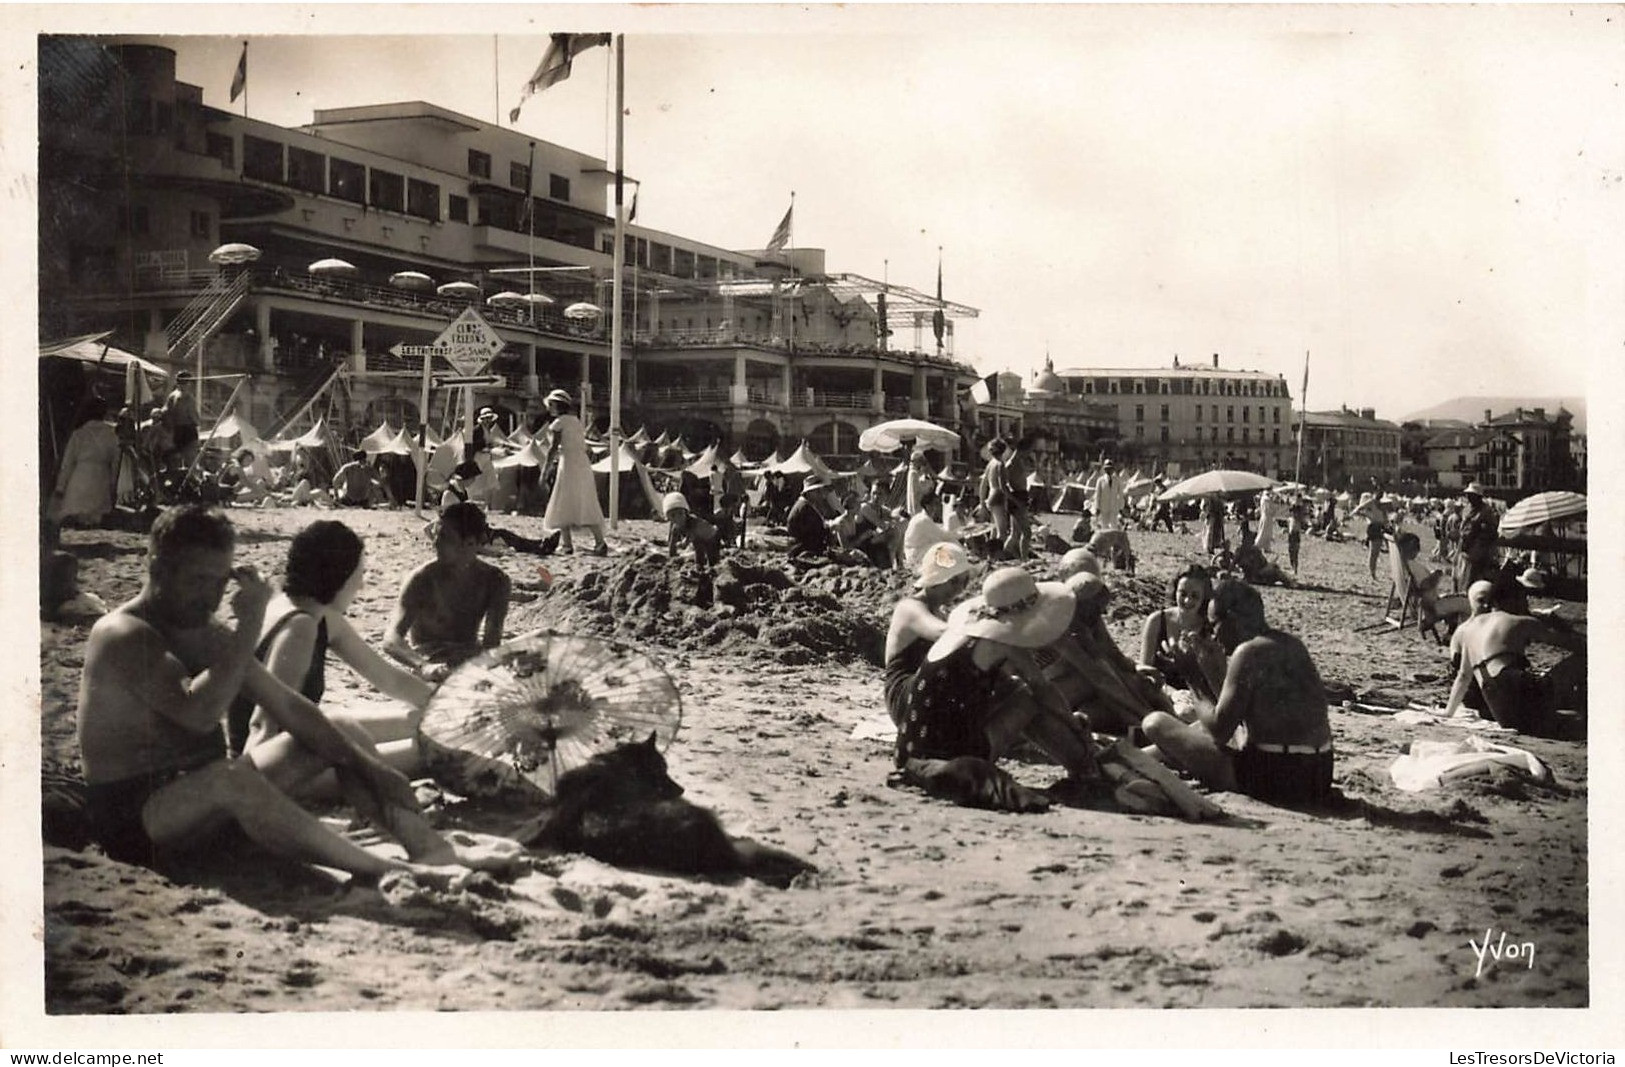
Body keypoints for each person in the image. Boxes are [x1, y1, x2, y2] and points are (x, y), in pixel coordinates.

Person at [74, 505, 515, 881]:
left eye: (218, 581)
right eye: (198, 580)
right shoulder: (123, 634)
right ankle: (386, 870)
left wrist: (368, 765)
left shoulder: (199, 628)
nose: (210, 596)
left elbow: (287, 704)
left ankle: (431, 850)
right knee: (232, 779)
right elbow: (198, 716)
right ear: (156, 568)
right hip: (139, 820)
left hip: (204, 794)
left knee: (340, 729)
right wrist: (247, 626)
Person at [227, 520, 434, 772]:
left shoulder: (311, 612)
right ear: (337, 578)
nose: (362, 585)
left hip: (297, 742)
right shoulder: (299, 627)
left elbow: (388, 679)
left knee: (417, 720)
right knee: (430, 753)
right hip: (274, 765)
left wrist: (450, 705)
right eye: (358, 575)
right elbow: (263, 726)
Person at [898, 567, 1103, 793]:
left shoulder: (963, 634)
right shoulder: (1002, 641)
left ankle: (1082, 763)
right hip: (949, 757)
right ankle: (1083, 767)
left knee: (1015, 692)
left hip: (910, 752)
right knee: (1030, 699)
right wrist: (1073, 723)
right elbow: (1041, 688)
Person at [1140, 578, 1335, 806]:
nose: (1213, 634)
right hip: (1320, 773)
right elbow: (1238, 713)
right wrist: (1210, 668)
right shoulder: (1292, 644)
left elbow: (1220, 731)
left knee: (1156, 723)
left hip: (1276, 778)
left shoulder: (1248, 652)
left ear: (1231, 619)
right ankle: (1146, 755)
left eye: (1214, 626)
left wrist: (1191, 675)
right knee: (1198, 727)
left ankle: (1139, 756)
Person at [384, 502, 511, 680]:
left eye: (445, 538)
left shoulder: (495, 581)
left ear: (470, 543)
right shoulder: (423, 579)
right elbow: (392, 639)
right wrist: (424, 666)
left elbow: (491, 643)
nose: (435, 543)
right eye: (437, 535)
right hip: (428, 659)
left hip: (469, 662)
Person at [1444, 580, 1585, 737]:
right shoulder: (1519, 621)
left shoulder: (1469, 628)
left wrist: (1448, 713)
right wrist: (1560, 625)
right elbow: (1572, 644)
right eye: (1522, 599)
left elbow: (1463, 677)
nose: (1525, 604)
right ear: (1511, 600)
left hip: (1499, 710)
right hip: (1517, 690)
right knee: (1581, 659)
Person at [882, 541, 975, 727]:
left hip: (923, 689)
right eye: (955, 581)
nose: (960, 589)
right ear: (935, 581)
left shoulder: (938, 613)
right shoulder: (910, 608)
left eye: (964, 582)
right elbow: (944, 634)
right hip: (906, 695)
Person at [1138, 564, 1223, 705]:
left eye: (1195, 596)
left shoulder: (1210, 628)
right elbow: (1144, 670)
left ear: (1204, 598)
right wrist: (1172, 693)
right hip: (1160, 693)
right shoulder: (1157, 621)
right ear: (1174, 591)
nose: (1187, 600)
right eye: (1182, 593)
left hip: (1197, 700)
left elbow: (1218, 679)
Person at [537, 389, 609, 556]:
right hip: (582, 464)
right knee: (585, 500)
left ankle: (568, 544)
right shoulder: (576, 421)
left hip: (568, 463)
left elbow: (553, 449)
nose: (549, 408)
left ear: (556, 405)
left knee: (563, 500)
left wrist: (545, 470)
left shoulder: (559, 423)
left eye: (551, 405)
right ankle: (599, 542)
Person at [52, 395, 121, 527]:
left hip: (80, 475)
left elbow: (68, 462)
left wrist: (61, 486)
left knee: (76, 509)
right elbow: (115, 461)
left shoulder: (79, 433)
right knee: (95, 513)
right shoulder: (111, 434)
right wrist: (113, 485)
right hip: (101, 476)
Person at [1456, 483, 1500, 592]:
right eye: (1468, 495)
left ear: (1478, 497)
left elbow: (1492, 532)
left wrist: (1479, 532)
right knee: (1461, 576)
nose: (1468, 497)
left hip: (1478, 552)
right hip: (1464, 549)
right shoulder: (1467, 509)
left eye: (1471, 495)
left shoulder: (1486, 511)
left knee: (1473, 580)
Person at [902, 491, 959, 569]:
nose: (939, 506)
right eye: (936, 503)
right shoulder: (923, 520)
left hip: (919, 550)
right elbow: (942, 536)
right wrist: (961, 533)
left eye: (939, 503)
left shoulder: (925, 518)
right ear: (927, 506)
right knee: (946, 547)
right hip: (915, 554)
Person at [663, 491, 720, 568]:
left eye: (680, 513)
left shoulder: (693, 522)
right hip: (698, 538)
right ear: (669, 518)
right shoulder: (675, 526)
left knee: (710, 557)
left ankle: (702, 566)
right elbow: (672, 542)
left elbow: (691, 537)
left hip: (711, 537)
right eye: (673, 515)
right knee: (698, 545)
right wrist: (672, 556)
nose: (678, 518)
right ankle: (701, 565)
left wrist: (684, 543)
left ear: (686, 512)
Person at [161, 372, 200, 470]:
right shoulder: (187, 397)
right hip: (187, 430)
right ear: (187, 383)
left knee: (177, 461)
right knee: (190, 462)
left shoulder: (172, 395)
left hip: (176, 430)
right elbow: (193, 415)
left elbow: (165, 411)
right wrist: (198, 422)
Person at [981, 439, 1012, 556]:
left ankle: (989, 553)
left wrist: (982, 501)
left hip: (990, 496)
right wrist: (1011, 499)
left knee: (993, 529)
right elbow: (1003, 486)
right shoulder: (1000, 464)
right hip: (998, 497)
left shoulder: (990, 464)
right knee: (1001, 530)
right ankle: (999, 554)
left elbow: (983, 484)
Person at [1353, 492, 1391, 579]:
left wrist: (1389, 529)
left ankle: (1373, 572)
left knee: (1377, 552)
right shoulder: (1372, 502)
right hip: (1374, 527)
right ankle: (1372, 573)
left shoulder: (1383, 507)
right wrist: (1367, 516)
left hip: (1380, 527)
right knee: (1374, 551)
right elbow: (1358, 509)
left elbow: (1386, 521)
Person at [1286, 496, 1307, 574]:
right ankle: (1293, 567)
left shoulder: (1298, 520)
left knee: (1295, 553)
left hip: (1295, 536)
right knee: (1290, 552)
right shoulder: (1291, 519)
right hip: (1291, 536)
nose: (1295, 513)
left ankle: (1295, 569)